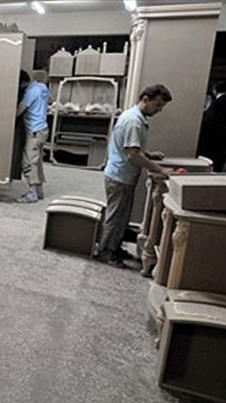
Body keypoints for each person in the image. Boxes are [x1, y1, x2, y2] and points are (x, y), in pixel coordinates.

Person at [95, 84, 174, 268]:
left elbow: (132, 147)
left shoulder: (134, 117)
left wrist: (149, 154)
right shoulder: (133, 122)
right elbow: (133, 155)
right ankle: (106, 252)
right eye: (157, 105)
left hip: (123, 174)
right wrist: (160, 170)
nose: (159, 110)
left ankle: (114, 247)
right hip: (119, 176)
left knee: (121, 216)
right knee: (115, 217)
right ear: (145, 99)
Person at [16, 70, 50, 203]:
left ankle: (32, 194)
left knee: (28, 162)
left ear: (22, 83)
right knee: (37, 162)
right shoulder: (42, 87)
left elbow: (19, 111)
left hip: (34, 132)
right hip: (43, 130)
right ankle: (39, 191)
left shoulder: (30, 93)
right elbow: (49, 100)